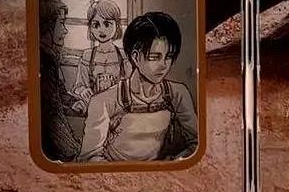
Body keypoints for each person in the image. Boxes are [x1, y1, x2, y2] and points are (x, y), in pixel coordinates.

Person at [79, 12, 199, 162]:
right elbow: (89, 157)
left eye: (169, 57)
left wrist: (173, 163)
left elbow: (197, 144)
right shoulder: (103, 100)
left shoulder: (177, 93)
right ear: (135, 57)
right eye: (154, 57)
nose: (164, 65)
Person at [37, 0, 82, 162]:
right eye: (61, 23)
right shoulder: (45, 59)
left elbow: (60, 93)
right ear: (48, 26)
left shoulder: (50, 56)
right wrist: (71, 148)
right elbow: (51, 110)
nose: (65, 30)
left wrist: (74, 101)